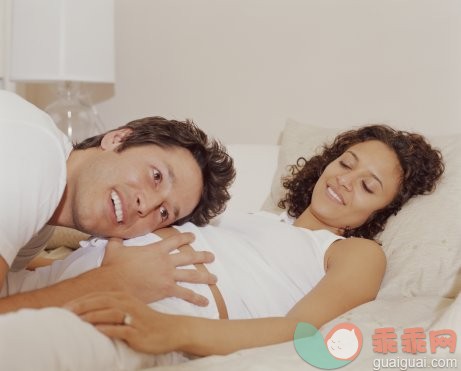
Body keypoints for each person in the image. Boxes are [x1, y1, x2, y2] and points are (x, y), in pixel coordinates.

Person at [0, 124, 444, 370]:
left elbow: (305, 333)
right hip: (62, 280)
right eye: (345, 163)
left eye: (368, 185)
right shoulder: (249, 219)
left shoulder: (353, 253)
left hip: (142, 314)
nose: (345, 181)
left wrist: (171, 331)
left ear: (382, 211)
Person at [0, 90, 235, 314]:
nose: (147, 205)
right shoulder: (36, 155)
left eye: (164, 213)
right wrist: (110, 281)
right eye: (156, 176)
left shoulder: (37, 234)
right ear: (118, 139)